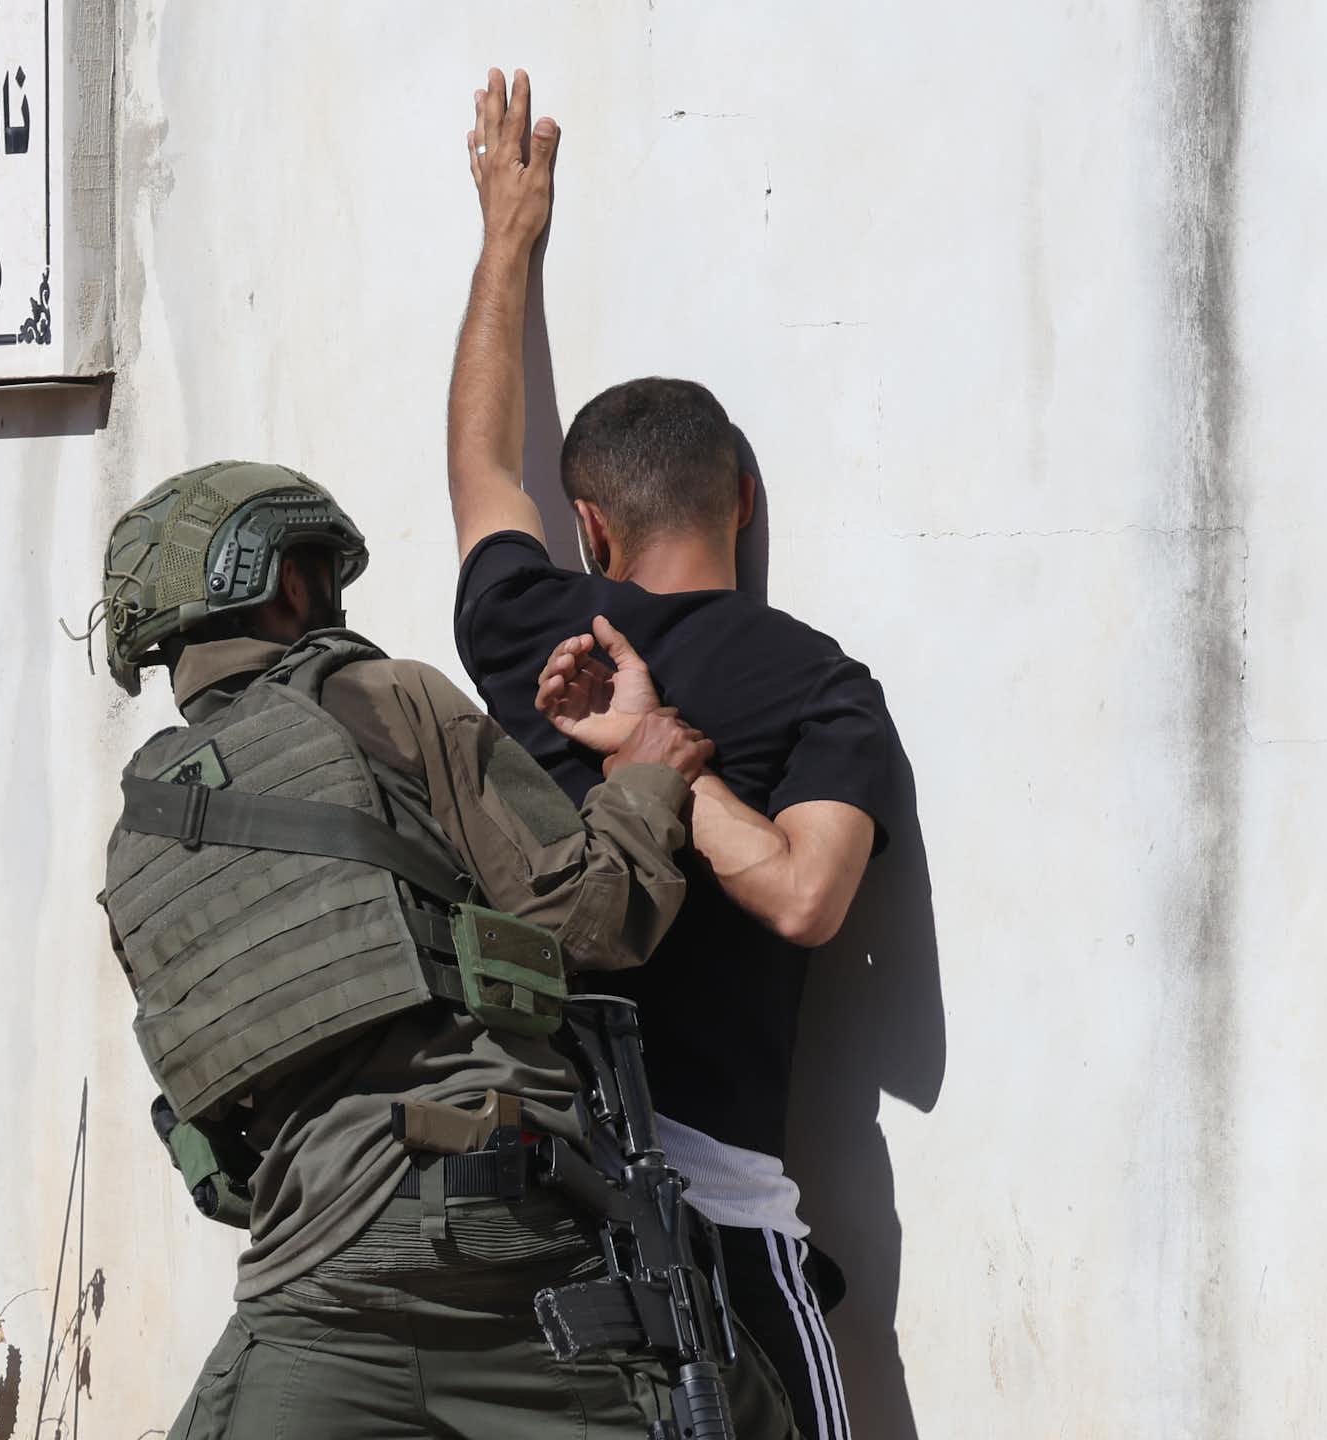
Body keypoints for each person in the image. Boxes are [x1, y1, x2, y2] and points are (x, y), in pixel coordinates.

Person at [94, 460, 797, 1438]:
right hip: (500, 1237)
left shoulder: (138, 842)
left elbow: (221, 1147)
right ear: (289, 584)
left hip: (313, 1278)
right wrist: (644, 781)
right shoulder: (381, 701)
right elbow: (593, 922)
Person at [444, 69, 901, 1440]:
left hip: (548, 1215)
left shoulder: (533, 628)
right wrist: (674, 762)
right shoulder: (820, 683)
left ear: (589, 528)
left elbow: (480, 467)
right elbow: (810, 899)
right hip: (719, 1232)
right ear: (744, 501)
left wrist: (506, 239)